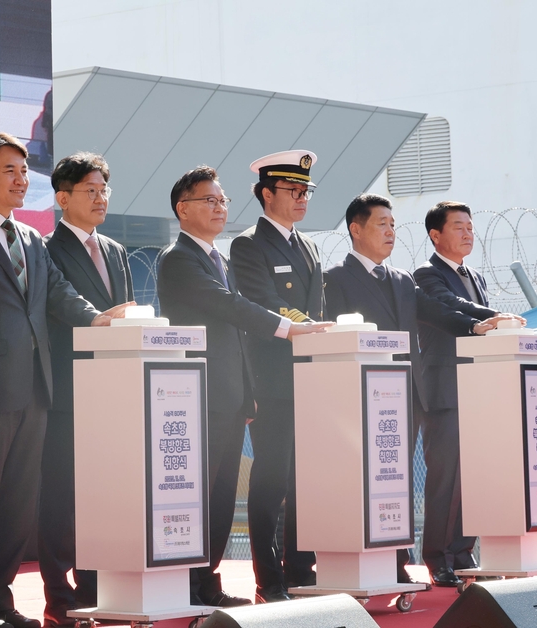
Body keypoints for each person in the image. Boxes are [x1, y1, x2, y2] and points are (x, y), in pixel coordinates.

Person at [0, 133, 132, 628]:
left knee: (17, 507)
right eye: (9, 171)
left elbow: (58, 294)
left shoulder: (32, 239)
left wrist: (95, 319)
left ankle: (0, 601)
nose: (22, 180)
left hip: (36, 389)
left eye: (24, 170)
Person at [155, 166, 330, 608]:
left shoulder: (217, 257)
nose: (219, 208)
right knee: (199, 492)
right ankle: (190, 579)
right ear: (183, 208)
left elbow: (237, 337)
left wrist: (249, 389)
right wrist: (287, 329)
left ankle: (204, 578)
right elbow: (229, 307)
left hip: (232, 394)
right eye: (208, 201)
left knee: (219, 493)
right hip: (197, 394)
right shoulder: (178, 258)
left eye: (222, 201)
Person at [323, 194, 511, 585]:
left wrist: (476, 326)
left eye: (393, 224)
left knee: (395, 482)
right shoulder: (335, 278)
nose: (391, 231)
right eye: (381, 224)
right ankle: (367, 560)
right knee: (365, 482)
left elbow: (436, 310)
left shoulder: (401, 279)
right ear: (356, 229)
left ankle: (394, 562)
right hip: (358, 396)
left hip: (405, 395)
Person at [39, 153, 133, 627]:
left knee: (101, 493)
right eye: (90, 191)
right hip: (66, 388)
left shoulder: (115, 250)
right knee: (60, 495)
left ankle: (96, 587)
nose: (100, 199)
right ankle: (59, 595)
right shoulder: (45, 248)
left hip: (112, 393)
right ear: (62, 198)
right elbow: (53, 308)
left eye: (104, 190)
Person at [228, 150, 324, 603]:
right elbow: (265, 308)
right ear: (267, 194)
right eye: (293, 190)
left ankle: (301, 570)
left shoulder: (307, 244)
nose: (302, 198)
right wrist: (310, 328)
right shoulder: (248, 244)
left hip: (308, 378)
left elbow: (316, 310)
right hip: (271, 379)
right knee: (272, 481)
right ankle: (269, 579)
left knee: (307, 478)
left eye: (306, 190)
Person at [413, 202, 522, 586]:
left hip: (479, 391)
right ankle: (437, 557)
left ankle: (462, 552)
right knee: (446, 477)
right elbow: (450, 307)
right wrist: (495, 316)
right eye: (458, 226)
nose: (467, 233)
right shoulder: (426, 274)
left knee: (473, 477)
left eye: (470, 227)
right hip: (444, 391)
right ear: (435, 235)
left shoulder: (474, 275)